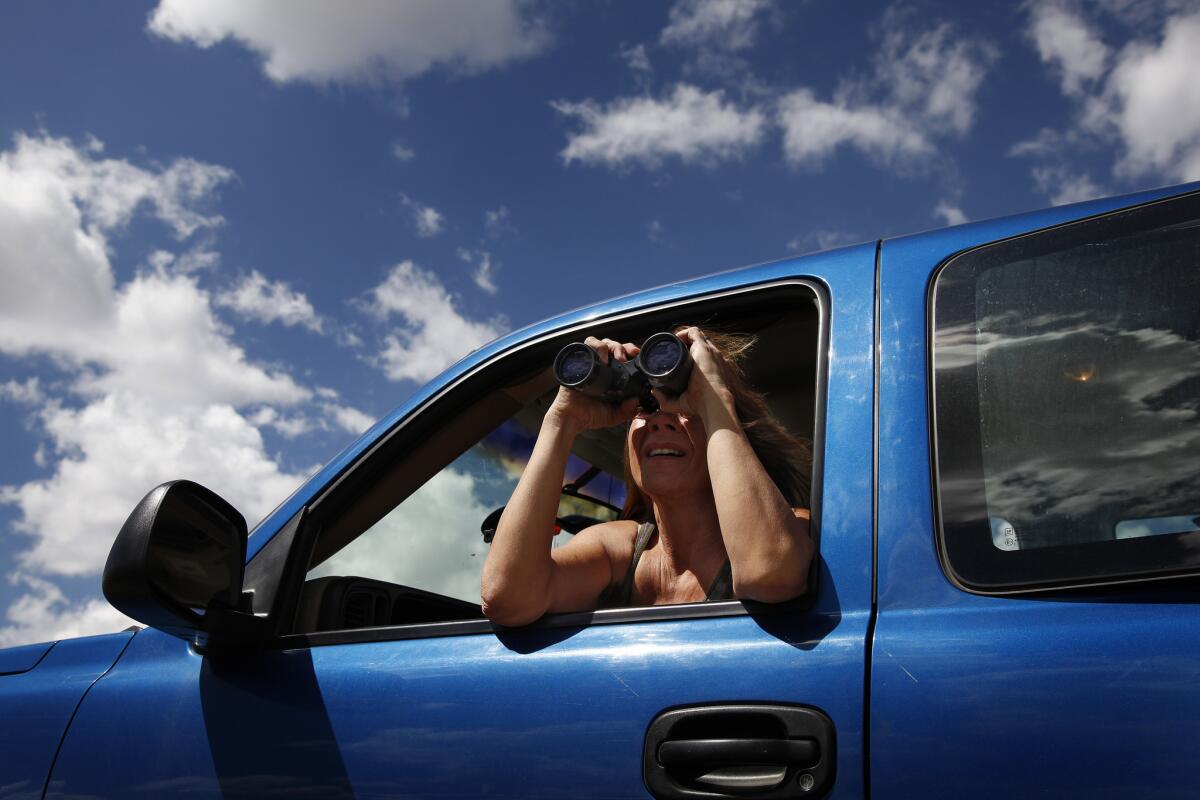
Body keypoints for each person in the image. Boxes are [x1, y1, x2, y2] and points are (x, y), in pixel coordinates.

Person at [480, 326, 814, 626]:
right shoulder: (620, 549)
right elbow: (508, 598)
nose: (659, 420)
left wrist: (714, 395)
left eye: (688, 409)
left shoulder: (789, 528)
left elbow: (771, 574)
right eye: (646, 408)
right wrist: (562, 420)